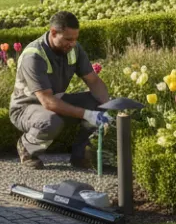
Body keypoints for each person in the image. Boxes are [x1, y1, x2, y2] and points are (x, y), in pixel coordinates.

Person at [9, 11, 112, 169]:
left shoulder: (74, 49)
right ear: (53, 33)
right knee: (51, 121)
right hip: (26, 108)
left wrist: (107, 107)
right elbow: (48, 102)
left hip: (55, 100)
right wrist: (87, 114)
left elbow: (94, 81)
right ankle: (27, 148)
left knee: (97, 103)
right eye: (68, 39)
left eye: (75, 39)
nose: (72, 43)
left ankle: (81, 156)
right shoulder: (34, 56)